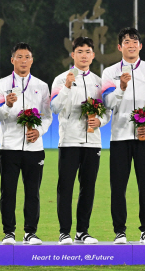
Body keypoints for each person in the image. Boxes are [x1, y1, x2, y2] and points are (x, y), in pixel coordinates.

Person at [101, 27, 145, 244]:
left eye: (134, 41)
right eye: (126, 41)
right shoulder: (110, 72)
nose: (131, 44)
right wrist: (121, 87)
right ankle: (119, 231)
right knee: (118, 186)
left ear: (140, 46)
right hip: (119, 136)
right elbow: (107, 104)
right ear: (119, 47)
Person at [0, 42, 51, 245]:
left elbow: (48, 116)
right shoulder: (1, 84)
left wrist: (39, 130)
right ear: (12, 60)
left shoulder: (42, 86)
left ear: (32, 60)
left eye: (27, 57)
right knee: (8, 191)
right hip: (9, 147)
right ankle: (9, 232)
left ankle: (30, 233)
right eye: (19, 57)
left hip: (34, 148)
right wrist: (7, 105)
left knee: (32, 192)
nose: (23, 61)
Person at [50, 37, 108, 245]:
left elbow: (107, 111)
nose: (84, 55)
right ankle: (64, 232)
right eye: (80, 51)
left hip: (93, 142)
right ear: (72, 54)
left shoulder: (99, 82)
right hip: (69, 142)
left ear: (93, 55)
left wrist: (99, 120)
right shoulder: (60, 79)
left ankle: (82, 231)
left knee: (88, 188)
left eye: (87, 51)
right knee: (65, 188)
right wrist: (66, 86)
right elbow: (55, 108)